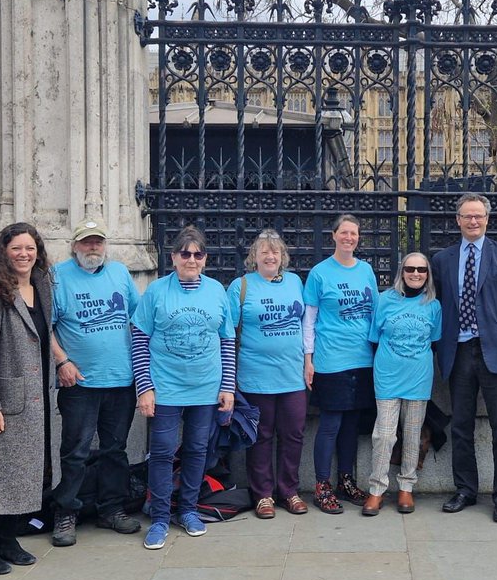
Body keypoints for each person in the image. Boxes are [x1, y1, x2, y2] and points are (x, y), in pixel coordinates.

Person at [132, 225, 236, 550]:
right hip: (165, 387)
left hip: (205, 388)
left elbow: (228, 339)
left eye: (198, 254)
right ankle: (161, 517)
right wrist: (144, 387)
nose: (191, 259)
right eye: (185, 253)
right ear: (174, 257)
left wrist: (228, 386)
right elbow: (138, 338)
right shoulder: (156, 292)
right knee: (162, 452)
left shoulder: (218, 291)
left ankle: (189, 510)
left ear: (205, 259)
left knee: (196, 450)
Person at [0, 222, 57, 575]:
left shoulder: (41, 285)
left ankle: (7, 540)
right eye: (17, 248)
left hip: (36, 397)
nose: (24, 254)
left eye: (30, 248)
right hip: (5, 401)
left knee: (23, 475)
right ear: (3, 251)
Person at [432, 193, 497, 523]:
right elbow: (440, 303)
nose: (473, 221)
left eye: (479, 216)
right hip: (459, 352)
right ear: (457, 220)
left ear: (488, 219)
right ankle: (465, 489)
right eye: (467, 216)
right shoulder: (443, 259)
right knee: (461, 427)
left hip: (496, 352)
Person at [49, 218, 141, 547]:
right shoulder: (58, 276)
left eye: (98, 241)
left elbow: (138, 318)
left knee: (115, 450)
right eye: (86, 242)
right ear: (74, 246)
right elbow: (45, 327)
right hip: (79, 383)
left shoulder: (119, 273)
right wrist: (62, 361)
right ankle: (66, 512)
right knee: (75, 451)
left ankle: (112, 509)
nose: (93, 247)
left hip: (121, 379)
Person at [227, 230, 308, 518]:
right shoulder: (242, 286)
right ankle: (263, 495)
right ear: (254, 258)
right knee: (260, 436)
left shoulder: (296, 282)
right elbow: (227, 332)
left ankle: (289, 491)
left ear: (282, 257)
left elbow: (307, 323)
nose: (270, 256)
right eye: (264, 252)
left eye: (275, 252)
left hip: (292, 376)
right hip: (256, 376)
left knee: (294, 434)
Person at [302, 214, 378, 513]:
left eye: (354, 233)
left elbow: (373, 313)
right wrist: (308, 359)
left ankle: (346, 481)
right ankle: (322, 486)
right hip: (331, 359)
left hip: (362, 359)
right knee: (331, 423)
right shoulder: (320, 273)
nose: (349, 238)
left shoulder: (366, 271)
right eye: (344, 233)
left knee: (351, 424)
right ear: (333, 236)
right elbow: (309, 319)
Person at [362, 251, 442, 515]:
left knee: (412, 435)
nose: (416, 274)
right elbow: (374, 336)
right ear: (402, 272)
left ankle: (407, 487)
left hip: (418, 378)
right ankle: (377, 489)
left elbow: (435, 339)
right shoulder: (384, 301)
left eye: (421, 269)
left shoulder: (433, 305)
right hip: (387, 376)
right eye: (410, 269)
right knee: (383, 435)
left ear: (427, 274)